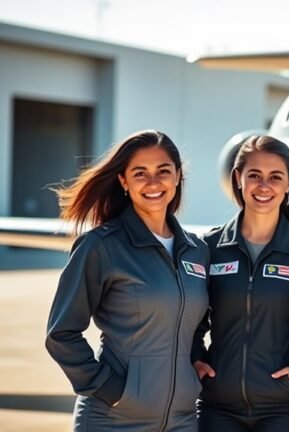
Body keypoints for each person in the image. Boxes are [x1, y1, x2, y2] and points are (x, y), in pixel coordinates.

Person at [45, 130, 209, 431]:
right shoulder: (100, 247)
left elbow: (193, 324)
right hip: (114, 418)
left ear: (177, 177)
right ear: (123, 181)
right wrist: (110, 390)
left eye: (163, 171)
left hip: (181, 420)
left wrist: (196, 360)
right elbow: (61, 333)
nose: (153, 182)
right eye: (140, 173)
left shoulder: (197, 251)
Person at [192, 135, 289, 432]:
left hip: (284, 409)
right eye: (254, 175)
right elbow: (188, 312)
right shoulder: (209, 248)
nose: (264, 185)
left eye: (275, 177)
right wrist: (195, 358)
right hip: (217, 407)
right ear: (237, 179)